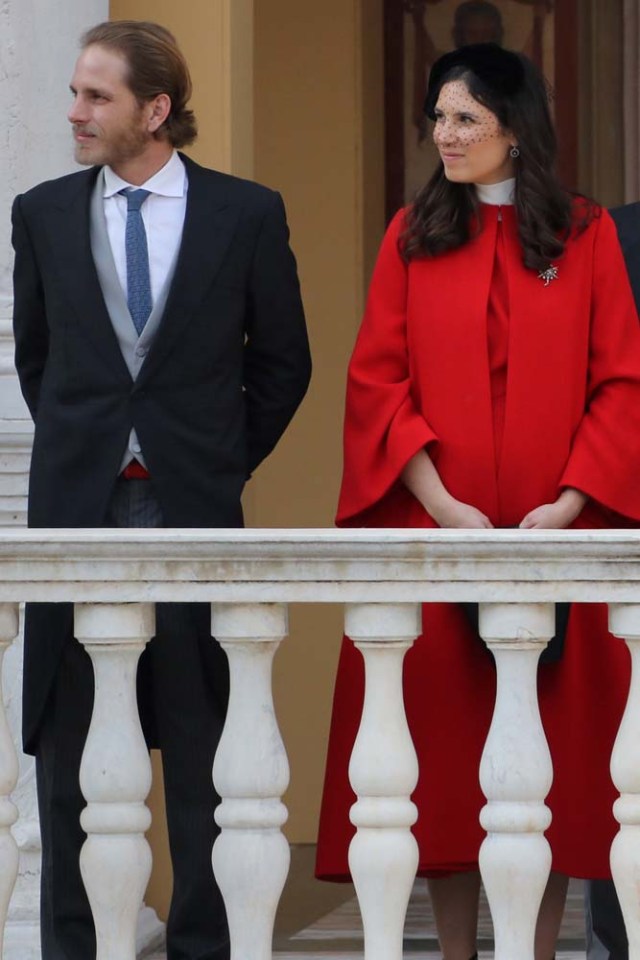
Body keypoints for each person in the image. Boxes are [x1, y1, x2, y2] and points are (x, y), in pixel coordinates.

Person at [316, 42, 640, 960]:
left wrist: (574, 502)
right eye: (440, 118)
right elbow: (378, 382)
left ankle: (533, 952)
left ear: (515, 130)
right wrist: (442, 501)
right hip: (436, 533)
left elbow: (621, 380)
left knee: (550, 766)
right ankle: (457, 953)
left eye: (465, 119)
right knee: (445, 763)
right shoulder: (410, 235)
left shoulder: (585, 234)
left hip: (558, 544)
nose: (445, 135)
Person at [12, 19, 310, 960]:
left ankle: (203, 947)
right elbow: (41, 361)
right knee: (67, 749)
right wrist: (95, 447)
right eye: (75, 92)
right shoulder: (43, 212)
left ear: (157, 108)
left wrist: (213, 460)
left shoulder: (246, 213)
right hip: (76, 507)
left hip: (193, 506)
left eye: (97, 96)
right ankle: (71, 947)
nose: (76, 112)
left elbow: (285, 366)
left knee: (200, 743)